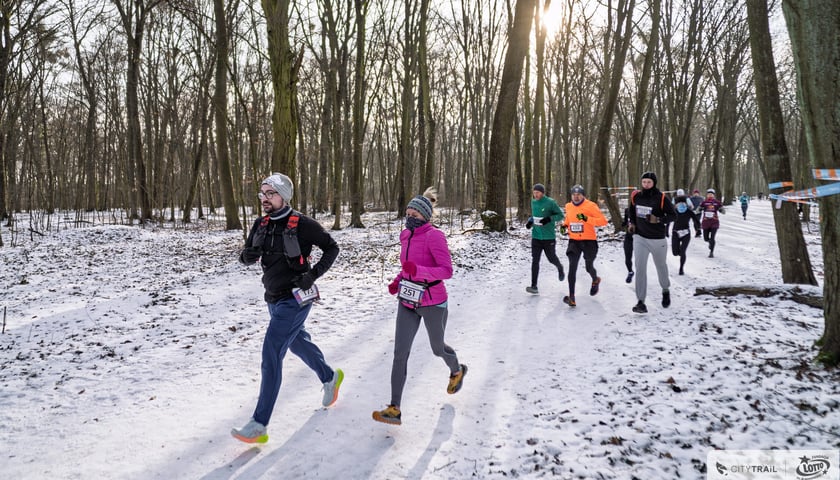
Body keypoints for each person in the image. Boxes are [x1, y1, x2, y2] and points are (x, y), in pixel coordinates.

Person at [232, 173, 343, 444]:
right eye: (262, 193)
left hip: (295, 298)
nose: (264, 198)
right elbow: (248, 254)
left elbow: (332, 248)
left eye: (270, 193)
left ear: (284, 195)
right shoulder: (260, 223)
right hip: (272, 297)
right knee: (297, 343)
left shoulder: (304, 224)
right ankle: (329, 376)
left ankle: (259, 424)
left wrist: (313, 274)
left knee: (272, 353)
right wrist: (245, 257)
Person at [373, 188, 466, 426]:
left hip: (433, 301)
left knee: (437, 348)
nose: (410, 216)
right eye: (408, 212)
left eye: (416, 213)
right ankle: (394, 408)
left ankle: (456, 370)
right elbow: (407, 266)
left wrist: (419, 272)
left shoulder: (435, 236)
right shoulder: (406, 235)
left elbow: (446, 271)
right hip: (407, 300)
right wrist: (398, 281)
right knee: (399, 354)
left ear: (426, 216)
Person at [627, 172, 676, 314]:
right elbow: (631, 212)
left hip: (657, 239)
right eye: (644, 182)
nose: (646, 185)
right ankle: (641, 301)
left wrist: (659, 220)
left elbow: (673, 215)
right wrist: (632, 224)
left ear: (654, 183)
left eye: (649, 182)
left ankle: (665, 289)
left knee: (660, 266)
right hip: (640, 238)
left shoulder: (661, 198)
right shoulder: (636, 196)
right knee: (640, 268)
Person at [560, 185, 607, 306]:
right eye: (573, 195)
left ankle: (595, 279)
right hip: (574, 241)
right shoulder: (568, 206)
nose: (576, 197)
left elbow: (603, 221)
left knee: (588, 267)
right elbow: (568, 220)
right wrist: (564, 226)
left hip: (589, 241)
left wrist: (587, 218)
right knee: (572, 267)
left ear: (583, 195)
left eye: (578, 195)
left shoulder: (591, 206)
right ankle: (572, 297)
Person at [524, 183, 566, 294]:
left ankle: (560, 267)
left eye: (537, 192)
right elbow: (534, 216)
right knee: (535, 261)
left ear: (542, 193)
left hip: (548, 237)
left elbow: (561, 215)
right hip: (536, 236)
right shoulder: (533, 202)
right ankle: (534, 286)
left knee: (551, 258)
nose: (535, 194)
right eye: (534, 192)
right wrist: (530, 222)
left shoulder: (550, 202)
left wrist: (549, 219)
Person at [670, 189, 701, 275]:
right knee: (675, 253)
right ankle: (680, 253)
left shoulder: (688, 211)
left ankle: (681, 268)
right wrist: (665, 229)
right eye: (679, 204)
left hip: (686, 233)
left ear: (686, 204)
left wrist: (698, 229)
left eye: (683, 203)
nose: (681, 205)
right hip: (676, 232)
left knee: (683, 252)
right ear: (676, 205)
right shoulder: (674, 211)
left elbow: (696, 220)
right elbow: (668, 219)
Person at [698, 188, 724, 258]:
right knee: (706, 239)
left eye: (711, 194)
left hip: (714, 222)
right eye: (708, 194)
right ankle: (710, 242)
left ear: (713, 195)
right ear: (707, 195)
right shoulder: (704, 202)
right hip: (706, 223)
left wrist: (721, 210)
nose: (710, 195)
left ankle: (711, 252)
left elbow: (723, 211)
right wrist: (699, 209)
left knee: (712, 238)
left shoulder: (717, 202)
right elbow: (698, 209)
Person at [620, 206, 635, 283]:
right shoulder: (627, 210)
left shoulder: (643, 210)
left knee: (640, 260)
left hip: (640, 238)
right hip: (629, 237)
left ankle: (641, 275)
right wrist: (623, 223)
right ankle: (630, 272)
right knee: (627, 257)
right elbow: (626, 221)